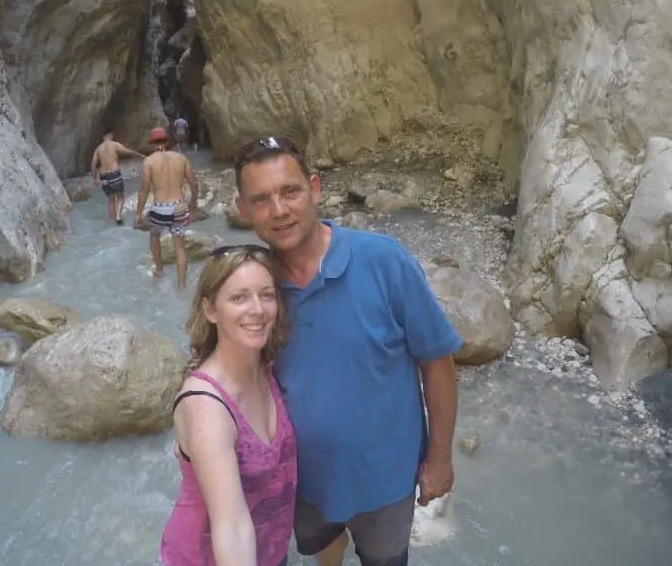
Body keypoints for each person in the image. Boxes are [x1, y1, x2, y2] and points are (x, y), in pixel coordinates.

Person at [233, 136, 462, 566]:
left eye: (290, 192)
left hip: (386, 484)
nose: (279, 210)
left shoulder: (382, 261)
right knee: (321, 548)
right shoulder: (254, 290)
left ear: (314, 189)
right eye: (261, 200)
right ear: (243, 210)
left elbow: (437, 361)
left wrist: (439, 460)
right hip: (302, 483)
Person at [158, 245, 297, 566]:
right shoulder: (206, 406)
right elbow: (231, 526)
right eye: (239, 298)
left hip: (271, 552)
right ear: (210, 310)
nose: (258, 309)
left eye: (267, 295)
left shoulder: (266, 366)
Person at [134, 126, 199, 289]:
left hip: (160, 209)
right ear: (167, 141)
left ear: (152, 143)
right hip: (179, 207)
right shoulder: (181, 158)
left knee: (154, 235)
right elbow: (193, 182)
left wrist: (138, 214)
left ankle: (160, 270)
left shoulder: (149, 161)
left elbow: (144, 190)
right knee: (180, 249)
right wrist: (194, 203)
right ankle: (182, 285)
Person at [90, 128, 145, 225]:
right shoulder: (114, 144)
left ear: (103, 136)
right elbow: (128, 152)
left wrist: (95, 179)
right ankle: (118, 218)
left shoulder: (98, 149)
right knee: (120, 198)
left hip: (103, 177)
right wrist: (140, 155)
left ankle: (112, 221)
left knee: (111, 200)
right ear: (110, 135)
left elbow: (93, 165)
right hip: (114, 174)